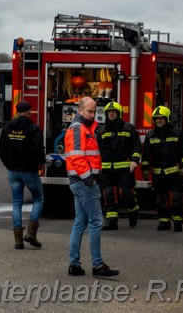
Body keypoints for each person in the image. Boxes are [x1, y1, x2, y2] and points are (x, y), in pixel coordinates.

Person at [66, 97, 119, 278]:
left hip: (81, 181)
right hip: (84, 182)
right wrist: (89, 178)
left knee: (80, 222)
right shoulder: (78, 129)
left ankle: (75, 265)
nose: (93, 115)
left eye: (94, 112)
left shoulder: (83, 128)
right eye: (89, 112)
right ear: (80, 110)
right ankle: (97, 266)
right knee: (96, 221)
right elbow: (76, 157)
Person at [0, 101, 45, 250]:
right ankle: (31, 233)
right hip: (29, 171)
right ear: (30, 112)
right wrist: (41, 163)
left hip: (13, 171)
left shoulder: (7, 128)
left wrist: (8, 164)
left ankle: (18, 240)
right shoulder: (34, 128)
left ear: (16, 112)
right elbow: (38, 149)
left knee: (17, 203)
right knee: (38, 199)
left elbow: (1, 149)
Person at [141, 106, 183, 232]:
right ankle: (164, 221)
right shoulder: (150, 135)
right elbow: (146, 154)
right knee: (160, 199)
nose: (159, 120)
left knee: (176, 198)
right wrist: (145, 168)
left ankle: (178, 221)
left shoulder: (177, 133)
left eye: (161, 118)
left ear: (167, 119)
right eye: (156, 119)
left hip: (174, 172)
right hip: (158, 173)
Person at [97, 101, 142, 230]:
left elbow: (137, 145)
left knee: (126, 193)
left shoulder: (129, 128)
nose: (111, 113)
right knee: (109, 194)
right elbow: (96, 149)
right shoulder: (101, 130)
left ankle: (133, 210)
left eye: (114, 111)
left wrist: (134, 160)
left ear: (119, 113)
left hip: (125, 168)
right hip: (107, 169)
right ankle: (111, 221)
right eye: (109, 111)